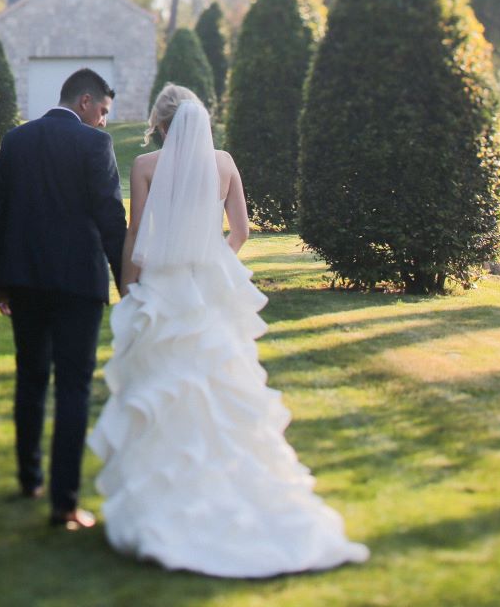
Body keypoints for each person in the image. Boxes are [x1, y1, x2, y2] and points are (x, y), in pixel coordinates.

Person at [89, 84, 369, 576]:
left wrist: (129, 284)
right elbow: (241, 231)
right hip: (208, 290)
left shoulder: (146, 167)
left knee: (163, 388)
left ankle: (164, 498)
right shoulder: (224, 163)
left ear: (160, 124)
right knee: (221, 386)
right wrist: (214, 259)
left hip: (162, 290)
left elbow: (135, 232)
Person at [0, 68, 127, 530]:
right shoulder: (94, 145)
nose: (105, 122)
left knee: (30, 378)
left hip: (24, 279)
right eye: (104, 111)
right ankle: (65, 504)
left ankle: (30, 479)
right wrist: (125, 280)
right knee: (74, 388)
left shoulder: (16, 140)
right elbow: (111, 217)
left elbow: (1, 213)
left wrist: (0, 279)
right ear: (85, 102)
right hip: (77, 284)